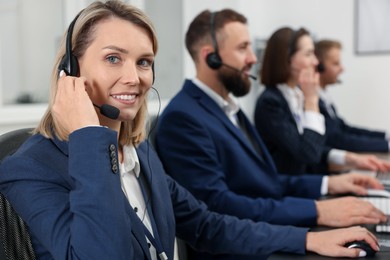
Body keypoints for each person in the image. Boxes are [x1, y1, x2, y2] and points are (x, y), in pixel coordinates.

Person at [0, 2, 381, 260]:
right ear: (71, 70)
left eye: (144, 62)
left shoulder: (140, 152)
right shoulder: (29, 168)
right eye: (113, 58)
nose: (134, 78)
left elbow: (206, 223)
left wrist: (307, 239)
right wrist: (87, 137)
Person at [155, 9, 386, 259]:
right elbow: (219, 209)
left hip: (269, 229)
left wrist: (329, 184)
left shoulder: (229, 108)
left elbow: (268, 181)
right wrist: (317, 211)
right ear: (211, 57)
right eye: (243, 48)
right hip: (245, 249)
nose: (254, 58)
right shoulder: (183, 118)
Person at [254, 27, 390, 175]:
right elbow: (308, 154)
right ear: (286, 60)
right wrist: (311, 100)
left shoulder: (294, 95)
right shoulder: (271, 103)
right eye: (308, 54)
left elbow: (316, 146)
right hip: (290, 192)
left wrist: (349, 158)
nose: (316, 62)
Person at [315, 39, 390, 154]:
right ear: (319, 66)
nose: (342, 69)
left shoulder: (324, 97)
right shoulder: (313, 101)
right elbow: (338, 140)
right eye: (336, 64)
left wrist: (385, 136)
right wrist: (385, 145)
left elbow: (345, 129)